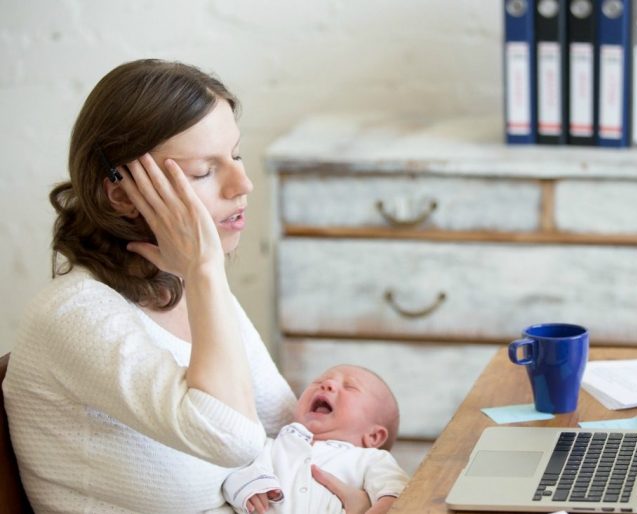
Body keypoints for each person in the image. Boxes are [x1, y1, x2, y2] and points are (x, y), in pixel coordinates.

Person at [2, 59, 373, 514]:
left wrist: (368, 492)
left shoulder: (182, 288)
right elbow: (235, 440)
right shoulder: (74, 315)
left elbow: (284, 429)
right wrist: (205, 272)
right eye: (203, 171)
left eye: (234, 155)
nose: (243, 183)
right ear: (120, 194)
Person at [222, 365, 408, 514]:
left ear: (374, 436)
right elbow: (235, 474)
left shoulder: (370, 459)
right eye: (319, 381)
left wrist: (384, 506)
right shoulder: (274, 446)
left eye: (349, 387)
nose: (327, 384)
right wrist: (247, 489)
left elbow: (397, 491)